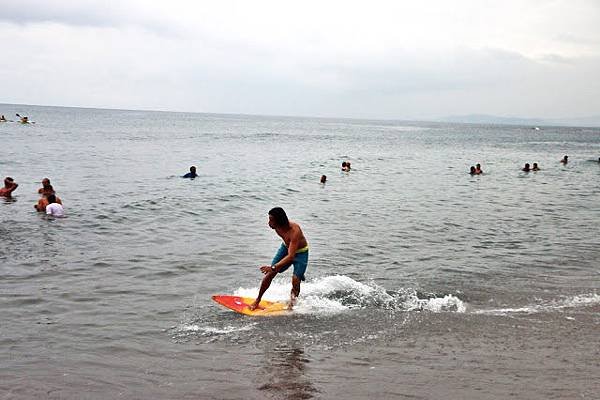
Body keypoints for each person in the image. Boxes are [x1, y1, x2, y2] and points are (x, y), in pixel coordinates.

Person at [249, 207, 309, 311]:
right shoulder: (277, 228)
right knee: (270, 274)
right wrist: (274, 269)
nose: (269, 223)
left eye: (271, 220)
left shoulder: (295, 231)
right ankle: (257, 300)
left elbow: (291, 256)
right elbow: (288, 251)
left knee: (295, 280)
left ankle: (292, 304)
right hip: (286, 248)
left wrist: (273, 267)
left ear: (279, 220)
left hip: (301, 253)